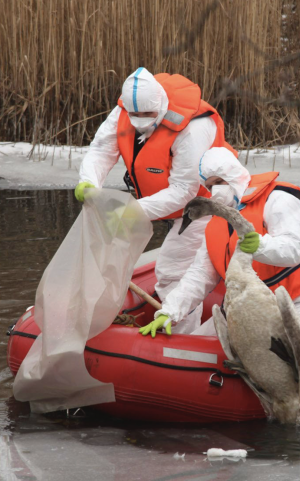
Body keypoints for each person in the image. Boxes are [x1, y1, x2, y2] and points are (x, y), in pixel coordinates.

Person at [139, 147, 300, 416]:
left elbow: (293, 249)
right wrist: (169, 311)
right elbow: (199, 276)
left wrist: (259, 244)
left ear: (234, 175)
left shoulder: (280, 198)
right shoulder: (215, 224)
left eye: (220, 182)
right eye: (209, 185)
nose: (215, 191)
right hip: (252, 313)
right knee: (193, 357)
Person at [74, 68, 236, 333]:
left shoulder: (192, 128)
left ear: (160, 105)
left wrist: (132, 210)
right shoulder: (124, 110)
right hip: (161, 202)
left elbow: (185, 190)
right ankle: (96, 310)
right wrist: (89, 181)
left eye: (147, 116)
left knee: (173, 272)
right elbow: (102, 149)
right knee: (109, 248)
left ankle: (183, 338)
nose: (139, 121)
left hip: (203, 204)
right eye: (134, 115)